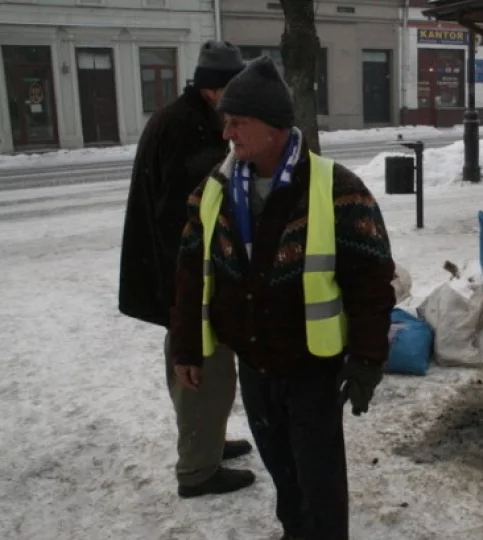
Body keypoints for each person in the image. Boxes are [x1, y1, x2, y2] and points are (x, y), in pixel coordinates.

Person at [169, 56, 396, 539]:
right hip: (254, 364)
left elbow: (372, 281)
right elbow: (191, 273)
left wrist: (367, 360)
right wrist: (188, 347)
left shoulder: (337, 189)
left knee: (320, 481)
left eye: (238, 122)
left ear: (274, 127)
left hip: (312, 368)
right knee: (283, 474)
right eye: (225, 121)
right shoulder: (217, 188)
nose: (226, 132)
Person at [118, 40, 256, 499]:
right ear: (216, 90)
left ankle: (206, 443)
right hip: (186, 277)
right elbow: (183, 217)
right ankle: (198, 470)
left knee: (202, 365)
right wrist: (200, 276)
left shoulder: (189, 118)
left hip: (180, 274)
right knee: (201, 363)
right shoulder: (185, 129)